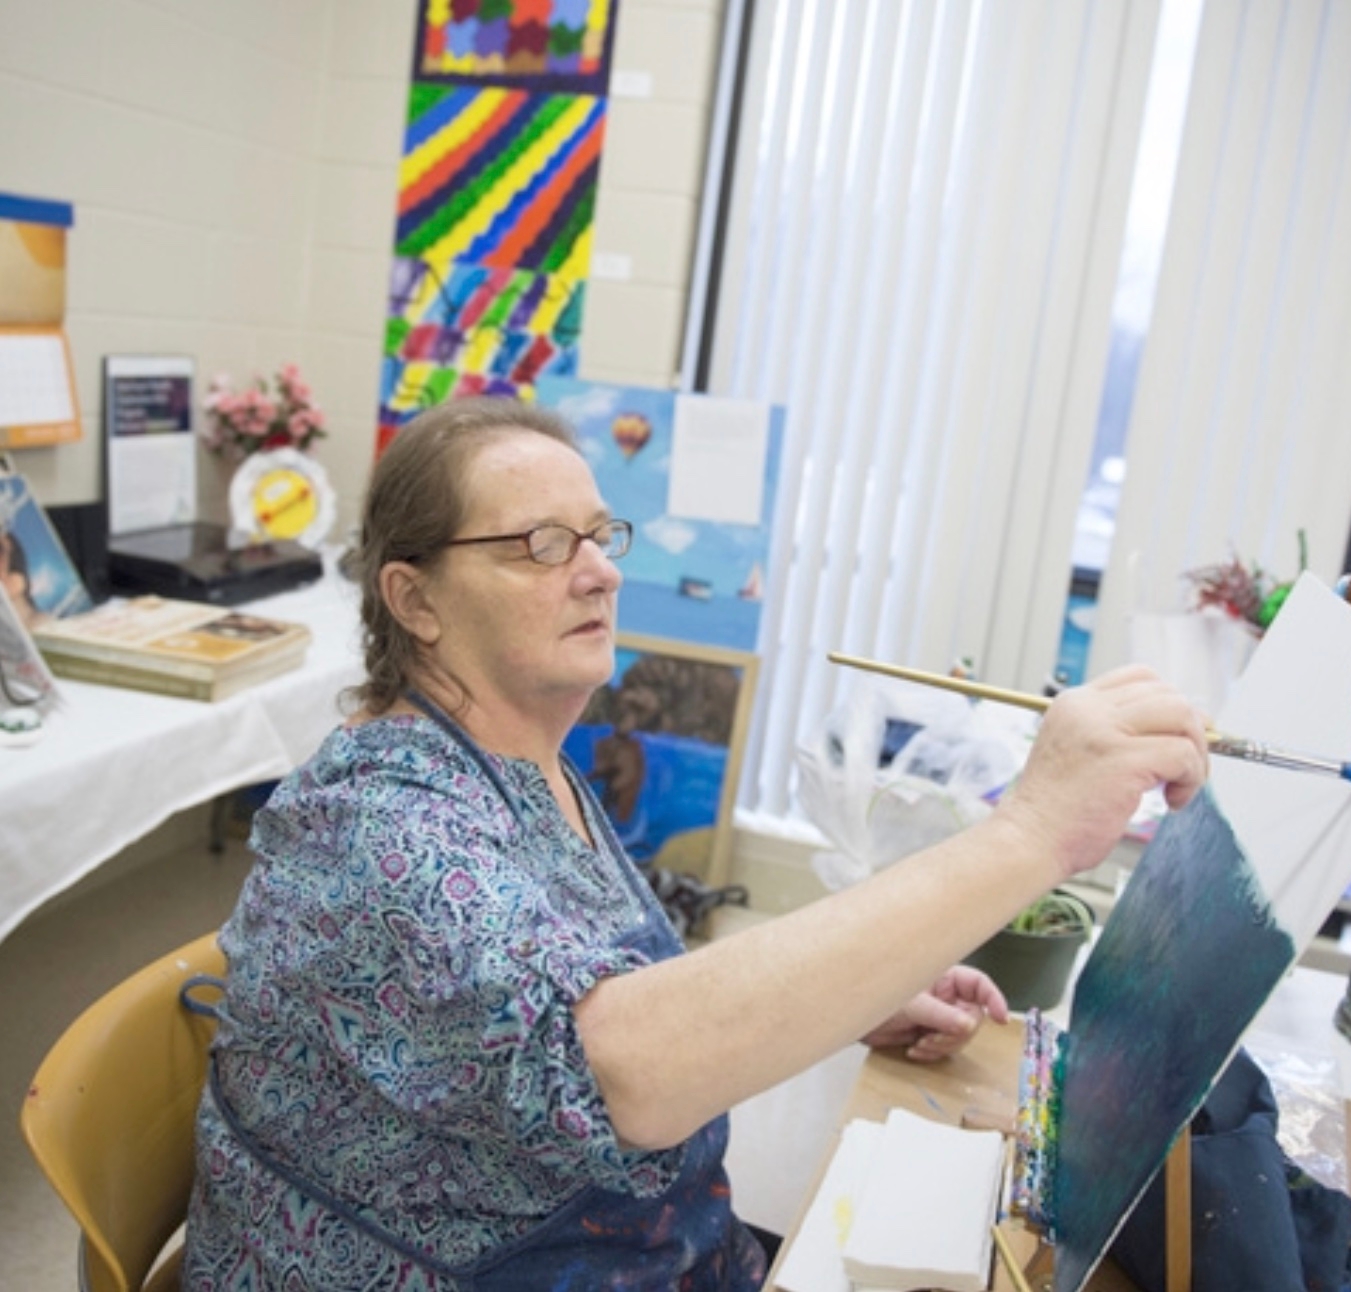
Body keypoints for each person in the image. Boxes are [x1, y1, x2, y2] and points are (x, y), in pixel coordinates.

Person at [183, 397, 1209, 1291]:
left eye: (598, 535)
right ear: (415, 600)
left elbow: (590, 993)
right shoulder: (379, 819)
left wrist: (853, 989)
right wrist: (1029, 831)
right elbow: (622, 1069)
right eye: (541, 544)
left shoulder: (524, 763)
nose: (597, 573)